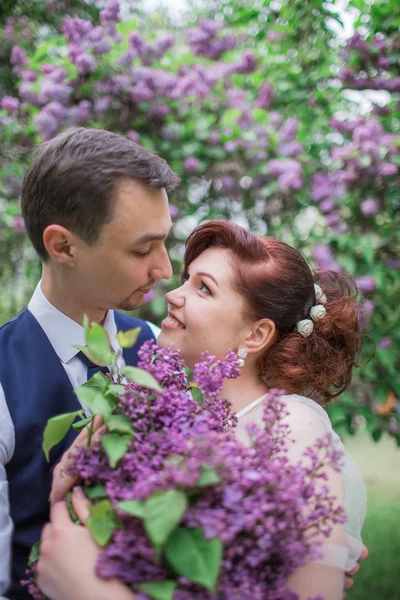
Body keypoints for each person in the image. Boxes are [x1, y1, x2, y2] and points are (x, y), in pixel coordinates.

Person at [38, 220, 368, 600]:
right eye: (186, 279)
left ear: (256, 334)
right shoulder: (171, 412)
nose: (174, 294)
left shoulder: (291, 429)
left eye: (204, 289)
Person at [0, 127, 180, 599]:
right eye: (142, 249)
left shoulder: (163, 352)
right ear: (63, 247)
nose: (165, 269)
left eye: (165, 242)